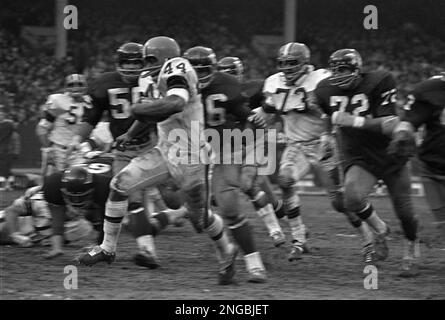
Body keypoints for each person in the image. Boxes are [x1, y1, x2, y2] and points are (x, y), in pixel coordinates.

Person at [77, 36, 239, 285]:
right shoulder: (146, 78)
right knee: (120, 184)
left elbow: (175, 103)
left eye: (151, 59)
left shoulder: (178, 68)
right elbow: (149, 112)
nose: (145, 65)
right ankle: (107, 249)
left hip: (193, 157)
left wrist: (138, 110)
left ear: (166, 57)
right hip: (164, 151)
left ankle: (226, 251)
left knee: (200, 219)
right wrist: (130, 133)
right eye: (145, 60)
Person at [315, 48, 420, 277]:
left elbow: (390, 123)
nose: (338, 75)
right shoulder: (324, 89)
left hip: (390, 154)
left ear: (357, 69)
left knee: (405, 213)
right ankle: (380, 229)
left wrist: (352, 120)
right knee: (351, 198)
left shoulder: (379, 81)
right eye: (335, 70)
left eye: (343, 69)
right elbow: (327, 114)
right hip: (359, 155)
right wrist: (326, 136)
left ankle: (411, 246)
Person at [68, 42, 167, 268]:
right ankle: (145, 250)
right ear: (117, 64)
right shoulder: (104, 83)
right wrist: (76, 139)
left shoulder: (152, 81)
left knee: (176, 199)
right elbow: (90, 117)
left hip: (154, 146)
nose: (131, 68)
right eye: (126, 63)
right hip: (124, 151)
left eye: (136, 63)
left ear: (145, 63)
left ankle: (179, 215)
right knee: (129, 197)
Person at [257, 42, 349, 262]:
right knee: (286, 181)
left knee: (339, 201)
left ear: (305, 63)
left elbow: (333, 111)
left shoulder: (321, 80)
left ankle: (369, 231)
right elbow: (271, 111)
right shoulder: (273, 83)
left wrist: (329, 134)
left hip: (322, 143)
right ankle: (299, 237)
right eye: (283, 63)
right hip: (296, 144)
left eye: (292, 63)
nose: (287, 68)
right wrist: (258, 116)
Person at [184, 46, 268, 283]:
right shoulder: (175, 85)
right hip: (188, 151)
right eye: (195, 70)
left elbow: (239, 110)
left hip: (224, 149)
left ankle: (254, 263)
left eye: (204, 70)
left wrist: (250, 115)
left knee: (230, 207)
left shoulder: (227, 83)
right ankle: (227, 253)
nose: (200, 76)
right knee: (198, 219)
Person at [217, 56, 286, 248]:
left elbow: (276, 105)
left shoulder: (255, 88)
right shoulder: (212, 93)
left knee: (248, 183)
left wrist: (276, 126)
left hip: (253, 143)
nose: (228, 78)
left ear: (240, 74)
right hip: (225, 148)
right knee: (261, 192)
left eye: (231, 73)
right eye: (224, 74)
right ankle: (283, 215)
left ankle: (275, 231)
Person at [387, 74, 445, 240]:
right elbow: (409, 121)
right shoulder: (431, 89)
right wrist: (402, 134)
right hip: (434, 169)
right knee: (443, 225)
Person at [36, 74, 91, 176]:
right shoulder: (58, 100)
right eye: (72, 85)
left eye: (79, 84)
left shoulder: (91, 101)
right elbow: (42, 127)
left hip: (80, 149)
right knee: (51, 183)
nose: (76, 87)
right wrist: (47, 148)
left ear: (86, 86)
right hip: (58, 148)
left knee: (80, 180)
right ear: (66, 87)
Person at [0, 107, 15, 191]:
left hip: (4, 150)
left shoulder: (7, 125)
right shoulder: (9, 124)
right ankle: (7, 185)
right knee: (6, 168)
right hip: (7, 150)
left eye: (1, 114)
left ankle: (4, 185)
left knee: (4, 168)